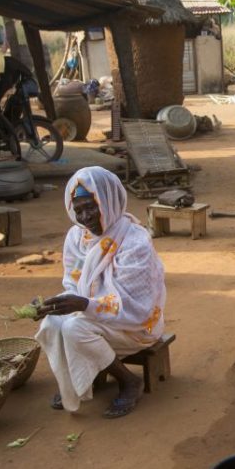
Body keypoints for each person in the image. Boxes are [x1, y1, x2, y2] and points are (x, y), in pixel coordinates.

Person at [35, 166, 166, 418]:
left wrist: (84, 304)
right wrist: (55, 304)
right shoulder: (76, 237)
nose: (84, 217)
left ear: (108, 201)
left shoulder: (134, 241)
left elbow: (136, 306)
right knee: (52, 322)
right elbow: (73, 284)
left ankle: (129, 381)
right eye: (78, 209)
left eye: (91, 207)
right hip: (93, 312)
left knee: (75, 328)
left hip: (136, 326)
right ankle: (72, 384)